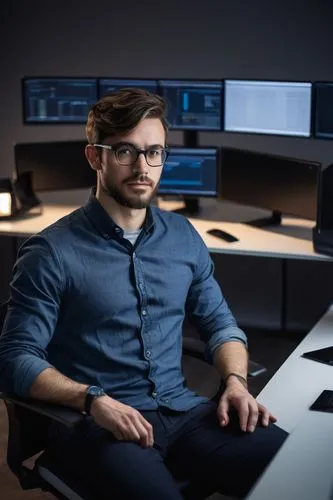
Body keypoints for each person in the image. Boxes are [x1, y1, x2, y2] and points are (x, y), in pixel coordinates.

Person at [0, 88, 287, 499]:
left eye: (155, 152)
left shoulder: (183, 237)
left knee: (299, 469)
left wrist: (236, 383)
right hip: (97, 426)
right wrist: (92, 399)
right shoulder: (50, 253)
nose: (143, 167)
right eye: (125, 152)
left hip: (183, 413)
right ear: (95, 157)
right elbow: (14, 359)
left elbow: (221, 325)